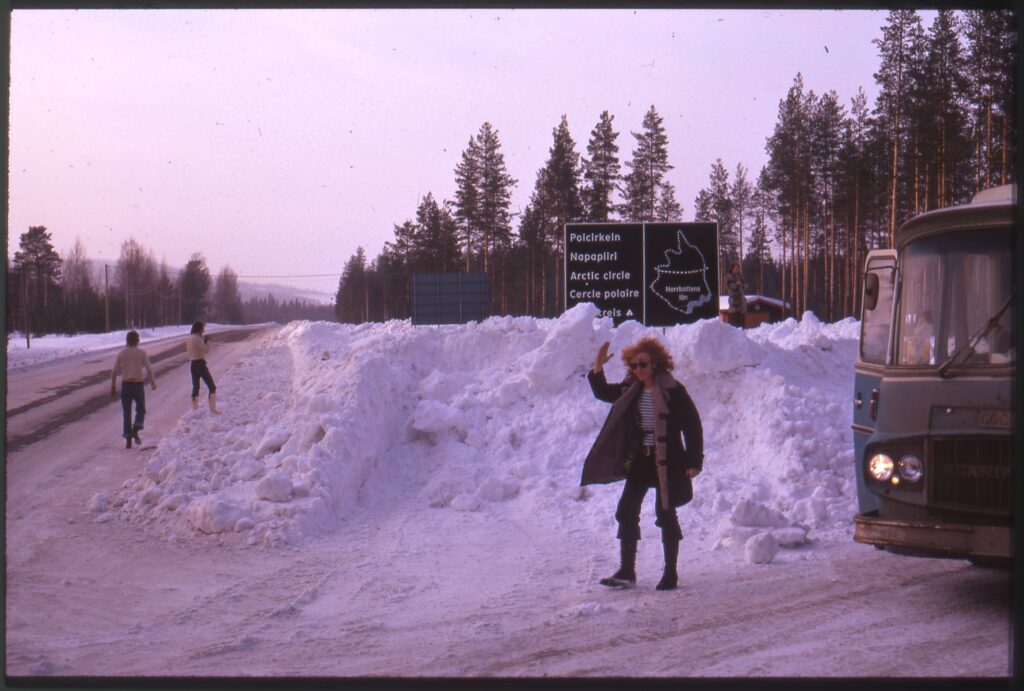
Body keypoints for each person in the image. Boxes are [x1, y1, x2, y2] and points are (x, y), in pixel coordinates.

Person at [582, 336, 704, 591]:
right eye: (634, 365)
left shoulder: (673, 390)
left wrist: (694, 461)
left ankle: (670, 573)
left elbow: (692, 426)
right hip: (641, 460)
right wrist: (597, 367)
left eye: (643, 365)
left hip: (669, 462)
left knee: (665, 514)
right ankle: (627, 571)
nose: (638, 370)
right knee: (626, 511)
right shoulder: (630, 389)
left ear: (656, 364)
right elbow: (604, 392)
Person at [110, 330, 157, 449]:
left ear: (127, 340)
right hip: (138, 385)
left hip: (125, 385)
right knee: (141, 410)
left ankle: (128, 441)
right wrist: (152, 382)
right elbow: (149, 369)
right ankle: (136, 428)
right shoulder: (142, 353)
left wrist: (113, 386)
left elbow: (114, 371)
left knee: (126, 413)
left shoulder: (121, 353)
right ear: (138, 340)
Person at [186, 321, 219, 413]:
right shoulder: (197, 338)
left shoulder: (189, 338)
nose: (203, 330)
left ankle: (194, 409)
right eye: (202, 328)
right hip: (200, 363)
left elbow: (195, 348)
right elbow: (206, 350)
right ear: (199, 329)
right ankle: (213, 409)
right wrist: (208, 341)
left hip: (193, 364)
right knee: (212, 386)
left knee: (196, 386)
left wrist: (203, 341)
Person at [725, 263, 747, 328]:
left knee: (741, 322)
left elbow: (745, 286)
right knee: (734, 321)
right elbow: (731, 287)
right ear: (732, 269)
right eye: (736, 268)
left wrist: (743, 284)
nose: (737, 270)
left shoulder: (740, 277)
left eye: (738, 268)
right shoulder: (729, 276)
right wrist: (736, 284)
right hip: (734, 300)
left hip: (741, 302)